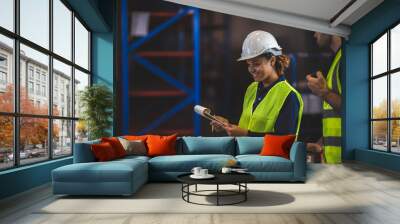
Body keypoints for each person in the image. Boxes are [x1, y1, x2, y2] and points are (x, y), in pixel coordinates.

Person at [211, 30, 303, 138]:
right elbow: (249, 125)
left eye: (256, 64)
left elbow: (284, 141)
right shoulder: (252, 89)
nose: (251, 69)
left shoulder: (289, 95)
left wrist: (245, 134)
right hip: (245, 155)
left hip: (270, 156)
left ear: (272, 61)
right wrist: (227, 124)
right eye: (249, 64)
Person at [306, 32, 342, 164]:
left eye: (317, 28)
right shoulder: (337, 60)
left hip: (345, 163)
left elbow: (355, 111)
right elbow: (336, 119)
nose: (314, 34)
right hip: (334, 163)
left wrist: (324, 93)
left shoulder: (345, 60)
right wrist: (320, 144)